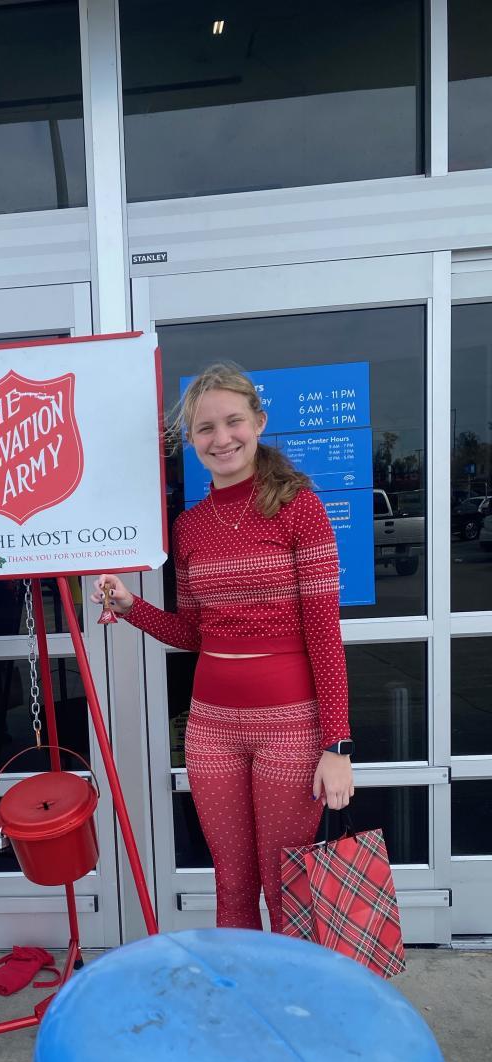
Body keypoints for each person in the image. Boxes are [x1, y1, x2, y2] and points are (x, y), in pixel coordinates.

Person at [93, 363, 353, 933]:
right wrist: (132, 607)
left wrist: (336, 745)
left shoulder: (300, 509)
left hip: (291, 728)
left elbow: (324, 636)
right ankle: (240, 989)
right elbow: (193, 634)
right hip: (210, 729)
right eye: (206, 428)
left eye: (233, 421)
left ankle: (289, 991)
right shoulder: (190, 527)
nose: (222, 438)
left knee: (286, 888)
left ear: (258, 423)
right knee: (232, 886)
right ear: (191, 440)